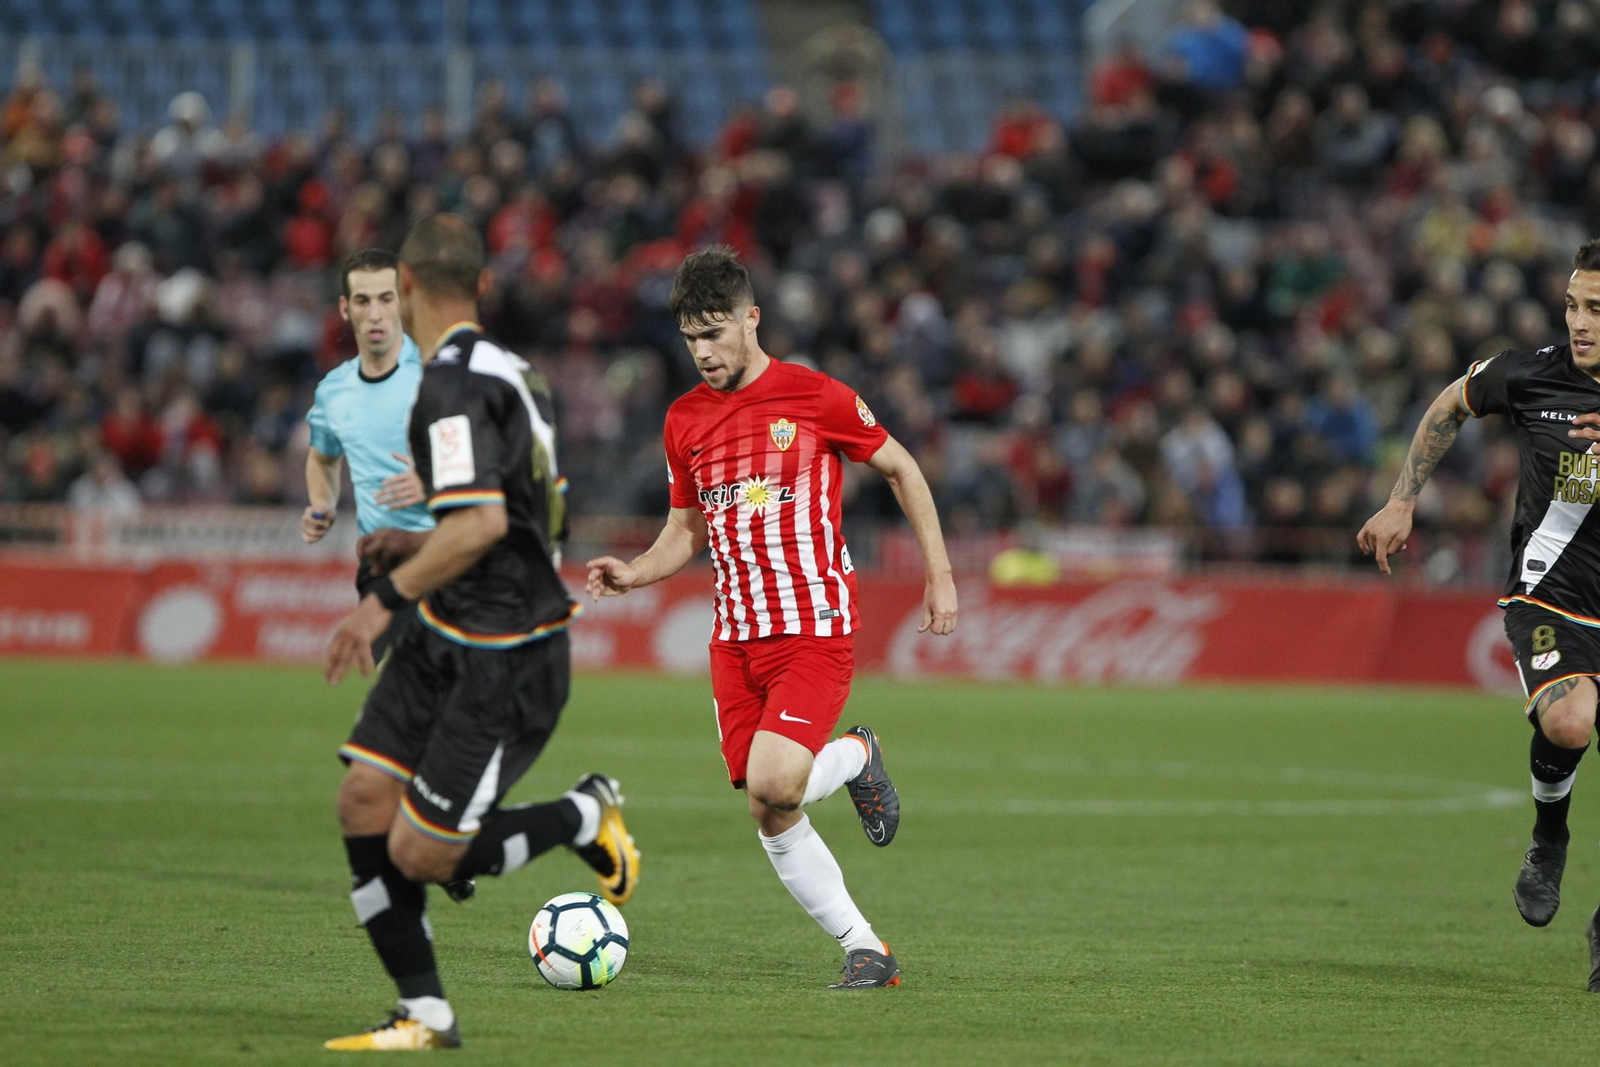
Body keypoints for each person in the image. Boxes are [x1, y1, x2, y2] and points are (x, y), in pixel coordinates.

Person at [585, 246, 957, 989]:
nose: (704, 352)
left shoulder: (813, 396)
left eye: (716, 333)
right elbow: (686, 531)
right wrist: (633, 571)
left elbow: (904, 468)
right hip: (736, 640)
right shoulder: (684, 420)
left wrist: (939, 576)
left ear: (751, 320)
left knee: (778, 779)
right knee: (768, 804)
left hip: (812, 626)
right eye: (692, 338)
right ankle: (868, 949)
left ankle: (854, 755)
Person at [322, 214, 639, 1051]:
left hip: (506, 654)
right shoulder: (518, 374)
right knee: (362, 800)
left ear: (413, 287)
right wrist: (420, 541)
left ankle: (579, 817)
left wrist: (380, 597)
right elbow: (509, 520)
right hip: (451, 626)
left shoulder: (454, 384)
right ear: (484, 286)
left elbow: (485, 524)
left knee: (423, 854)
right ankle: (423, 1012)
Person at [1358, 238, 1600, 991]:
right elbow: (1448, 403)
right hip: (1550, 597)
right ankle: (1548, 833)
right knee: (1569, 722)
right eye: (1572, 305)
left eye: (1595, 309)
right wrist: (1403, 497)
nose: (1579, 322)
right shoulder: (1530, 375)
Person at [302, 248, 433, 662]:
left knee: (430, 701)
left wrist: (433, 478)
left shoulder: (439, 374)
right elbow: (323, 457)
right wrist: (321, 504)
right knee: (402, 704)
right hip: (380, 566)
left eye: (386, 298)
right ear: (345, 308)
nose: (375, 313)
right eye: (363, 300)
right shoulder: (334, 391)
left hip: (445, 557)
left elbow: (492, 459)